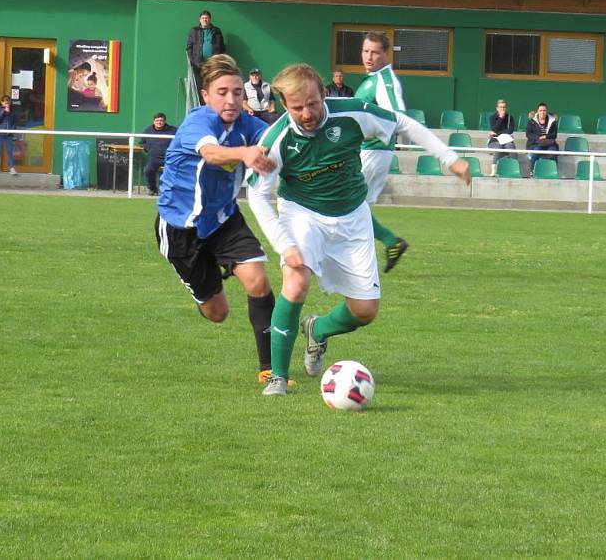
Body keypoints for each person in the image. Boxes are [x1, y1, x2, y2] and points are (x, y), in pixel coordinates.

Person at [247, 63, 471, 396]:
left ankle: (318, 330)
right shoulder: (276, 138)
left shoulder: (352, 114)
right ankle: (278, 376)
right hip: (303, 214)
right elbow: (257, 193)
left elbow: (403, 123)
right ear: (284, 105)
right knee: (296, 280)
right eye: (297, 107)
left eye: (312, 103)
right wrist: (283, 244)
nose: (306, 113)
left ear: (324, 93)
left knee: (365, 311)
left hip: (353, 216)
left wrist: (448, 157)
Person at [155, 54, 283, 385]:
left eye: (238, 92)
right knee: (218, 313)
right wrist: (245, 154)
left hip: (225, 219)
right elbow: (211, 153)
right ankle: (200, 285)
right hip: (181, 230)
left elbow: (279, 140)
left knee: (258, 281)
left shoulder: (249, 126)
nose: (231, 99)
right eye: (223, 92)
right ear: (205, 95)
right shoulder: (198, 122)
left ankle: (271, 371)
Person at [354, 31, 409, 272]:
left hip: (373, 152)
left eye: (375, 52)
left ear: (386, 55)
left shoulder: (385, 81)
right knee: (357, 206)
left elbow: (397, 118)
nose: (369, 56)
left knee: (352, 206)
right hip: (367, 151)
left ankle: (367, 255)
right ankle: (390, 242)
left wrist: (364, 133)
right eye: (366, 51)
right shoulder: (371, 78)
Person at [186, 10, 225, 93]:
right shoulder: (194, 31)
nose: (205, 20)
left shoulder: (216, 31)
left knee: (214, 85)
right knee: (201, 87)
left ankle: (212, 104)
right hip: (199, 65)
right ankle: (203, 105)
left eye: (207, 18)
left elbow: (222, 47)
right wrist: (194, 61)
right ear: (199, 20)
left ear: (210, 20)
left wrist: (220, 61)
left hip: (213, 64)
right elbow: (189, 47)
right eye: (203, 18)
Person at [140, 112, 176, 195]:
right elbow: (142, 142)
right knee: (148, 170)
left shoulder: (173, 130)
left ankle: (170, 190)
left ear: (165, 121)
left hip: (169, 157)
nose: (159, 122)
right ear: (153, 121)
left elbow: (179, 140)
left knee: (173, 171)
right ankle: (152, 189)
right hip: (154, 158)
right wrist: (148, 149)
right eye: (157, 120)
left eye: (161, 120)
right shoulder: (148, 130)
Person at [526, 102, 559, 174]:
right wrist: (538, 138)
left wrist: (546, 136)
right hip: (535, 143)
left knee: (553, 151)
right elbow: (528, 134)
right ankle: (532, 171)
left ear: (547, 111)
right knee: (536, 151)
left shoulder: (552, 121)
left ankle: (554, 171)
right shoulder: (531, 121)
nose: (542, 112)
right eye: (540, 110)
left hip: (549, 144)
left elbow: (554, 135)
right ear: (537, 111)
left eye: (544, 110)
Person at [487, 98, 517, 176]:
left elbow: (510, 130)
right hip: (495, 140)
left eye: (504, 107)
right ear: (497, 108)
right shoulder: (492, 117)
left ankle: (513, 168)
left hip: (506, 140)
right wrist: (500, 118)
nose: (502, 109)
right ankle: (494, 169)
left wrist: (497, 133)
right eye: (500, 107)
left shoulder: (510, 117)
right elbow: (494, 129)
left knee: (511, 147)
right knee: (498, 147)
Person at [0, 96, 17, 175]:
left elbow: (14, 122)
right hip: (0, 134)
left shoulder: (12, 111)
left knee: (9, 151)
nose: (7, 104)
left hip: (9, 134)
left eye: (9, 103)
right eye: (6, 103)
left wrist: (12, 130)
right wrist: (4, 112)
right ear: (2, 103)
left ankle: (12, 168)